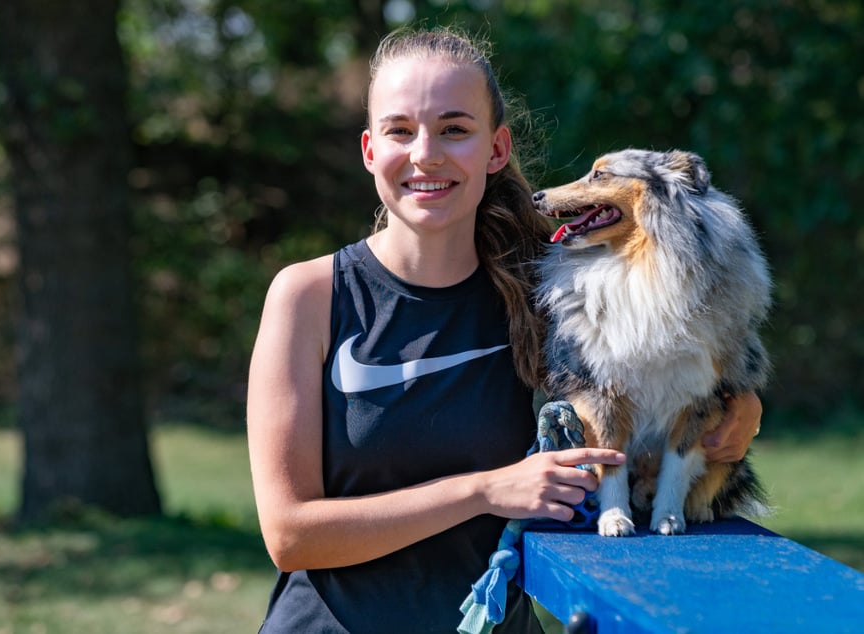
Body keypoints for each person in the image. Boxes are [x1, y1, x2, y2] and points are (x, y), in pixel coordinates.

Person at [246, 26, 763, 633]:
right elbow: (290, 535)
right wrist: (486, 491)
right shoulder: (309, 294)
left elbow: (672, 368)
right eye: (399, 130)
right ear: (368, 149)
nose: (425, 154)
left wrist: (741, 408)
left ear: (496, 150)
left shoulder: (555, 292)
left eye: (454, 129)